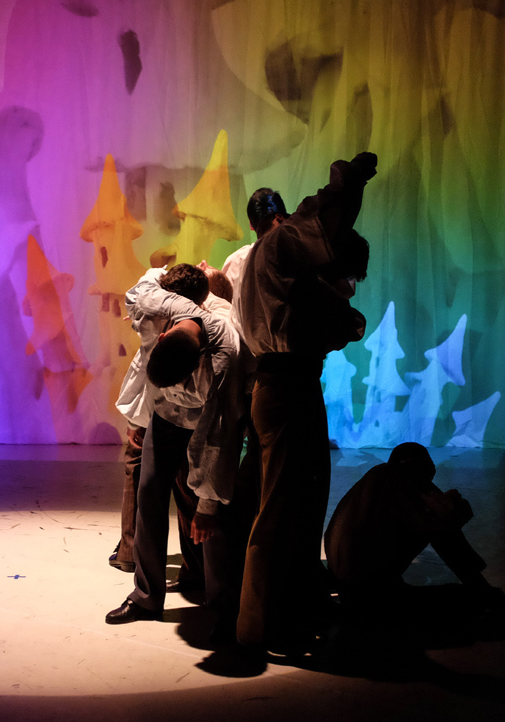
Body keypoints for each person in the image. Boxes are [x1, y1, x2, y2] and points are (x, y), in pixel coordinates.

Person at [233, 153, 377, 652]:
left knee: (303, 499)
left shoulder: (276, 265)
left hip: (291, 384)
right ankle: (259, 625)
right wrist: (349, 179)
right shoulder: (278, 246)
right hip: (284, 385)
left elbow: (328, 319)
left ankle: (292, 606)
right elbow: (321, 215)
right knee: (279, 509)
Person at [106, 267, 244, 635]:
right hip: (165, 415)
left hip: (205, 422)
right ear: (165, 331)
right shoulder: (160, 307)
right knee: (149, 493)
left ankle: (222, 609)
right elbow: (143, 287)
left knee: (211, 517)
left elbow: (218, 438)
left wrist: (207, 506)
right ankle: (146, 597)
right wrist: (138, 418)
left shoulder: (224, 356)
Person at [324, 442, 505, 616]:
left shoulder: (377, 480)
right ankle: (484, 593)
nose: (428, 485)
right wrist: (450, 504)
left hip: (354, 590)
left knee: (437, 525)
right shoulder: (397, 478)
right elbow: (438, 522)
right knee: (459, 594)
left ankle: (483, 593)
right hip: (368, 596)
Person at [112, 264, 213, 579]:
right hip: (182, 416)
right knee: (185, 486)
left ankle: (131, 552)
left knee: (141, 473)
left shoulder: (152, 310)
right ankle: (196, 566)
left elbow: (146, 284)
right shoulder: (205, 320)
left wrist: (135, 420)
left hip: (157, 410)